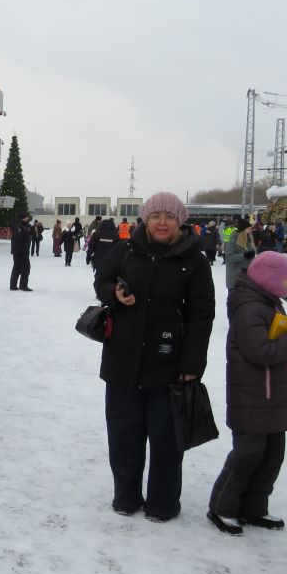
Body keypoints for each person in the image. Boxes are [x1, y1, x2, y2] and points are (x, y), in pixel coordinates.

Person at [94, 192, 215, 522]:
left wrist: (192, 365)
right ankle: (126, 496)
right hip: (123, 359)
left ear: (180, 221)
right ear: (145, 219)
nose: (162, 222)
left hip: (169, 363)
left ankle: (163, 504)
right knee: (123, 434)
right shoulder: (125, 249)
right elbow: (102, 280)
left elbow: (201, 316)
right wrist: (113, 294)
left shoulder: (195, 259)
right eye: (156, 215)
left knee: (165, 439)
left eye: (170, 216)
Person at [207, 252, 287, 536]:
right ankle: (222, 506)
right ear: (270, 280)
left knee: (272, 455)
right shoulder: (249, 308)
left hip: (273, 395)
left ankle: (254, 506)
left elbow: (284, 357)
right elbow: (261, 352)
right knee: (248, 454)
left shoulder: (271, 305)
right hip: (251, 396)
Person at [223, 218, 255, 290]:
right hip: (236, 278)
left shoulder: (249, 240)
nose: (250, 230)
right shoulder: (233, 240)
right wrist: (245, 256)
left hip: (246, 277)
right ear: (243, 230)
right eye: (249, 228)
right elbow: (229, 257)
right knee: (235, 300)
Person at [9, 212, 33, 291]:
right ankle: (23, 285)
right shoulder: (19, 226)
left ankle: (13, 285)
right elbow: (21, 238)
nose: (27, 219)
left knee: (17, 267)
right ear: (22, 218)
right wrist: (28, 234)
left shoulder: (21, 225)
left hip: (19, 250)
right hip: (21, 251)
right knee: (25, 268)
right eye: (26, 217)